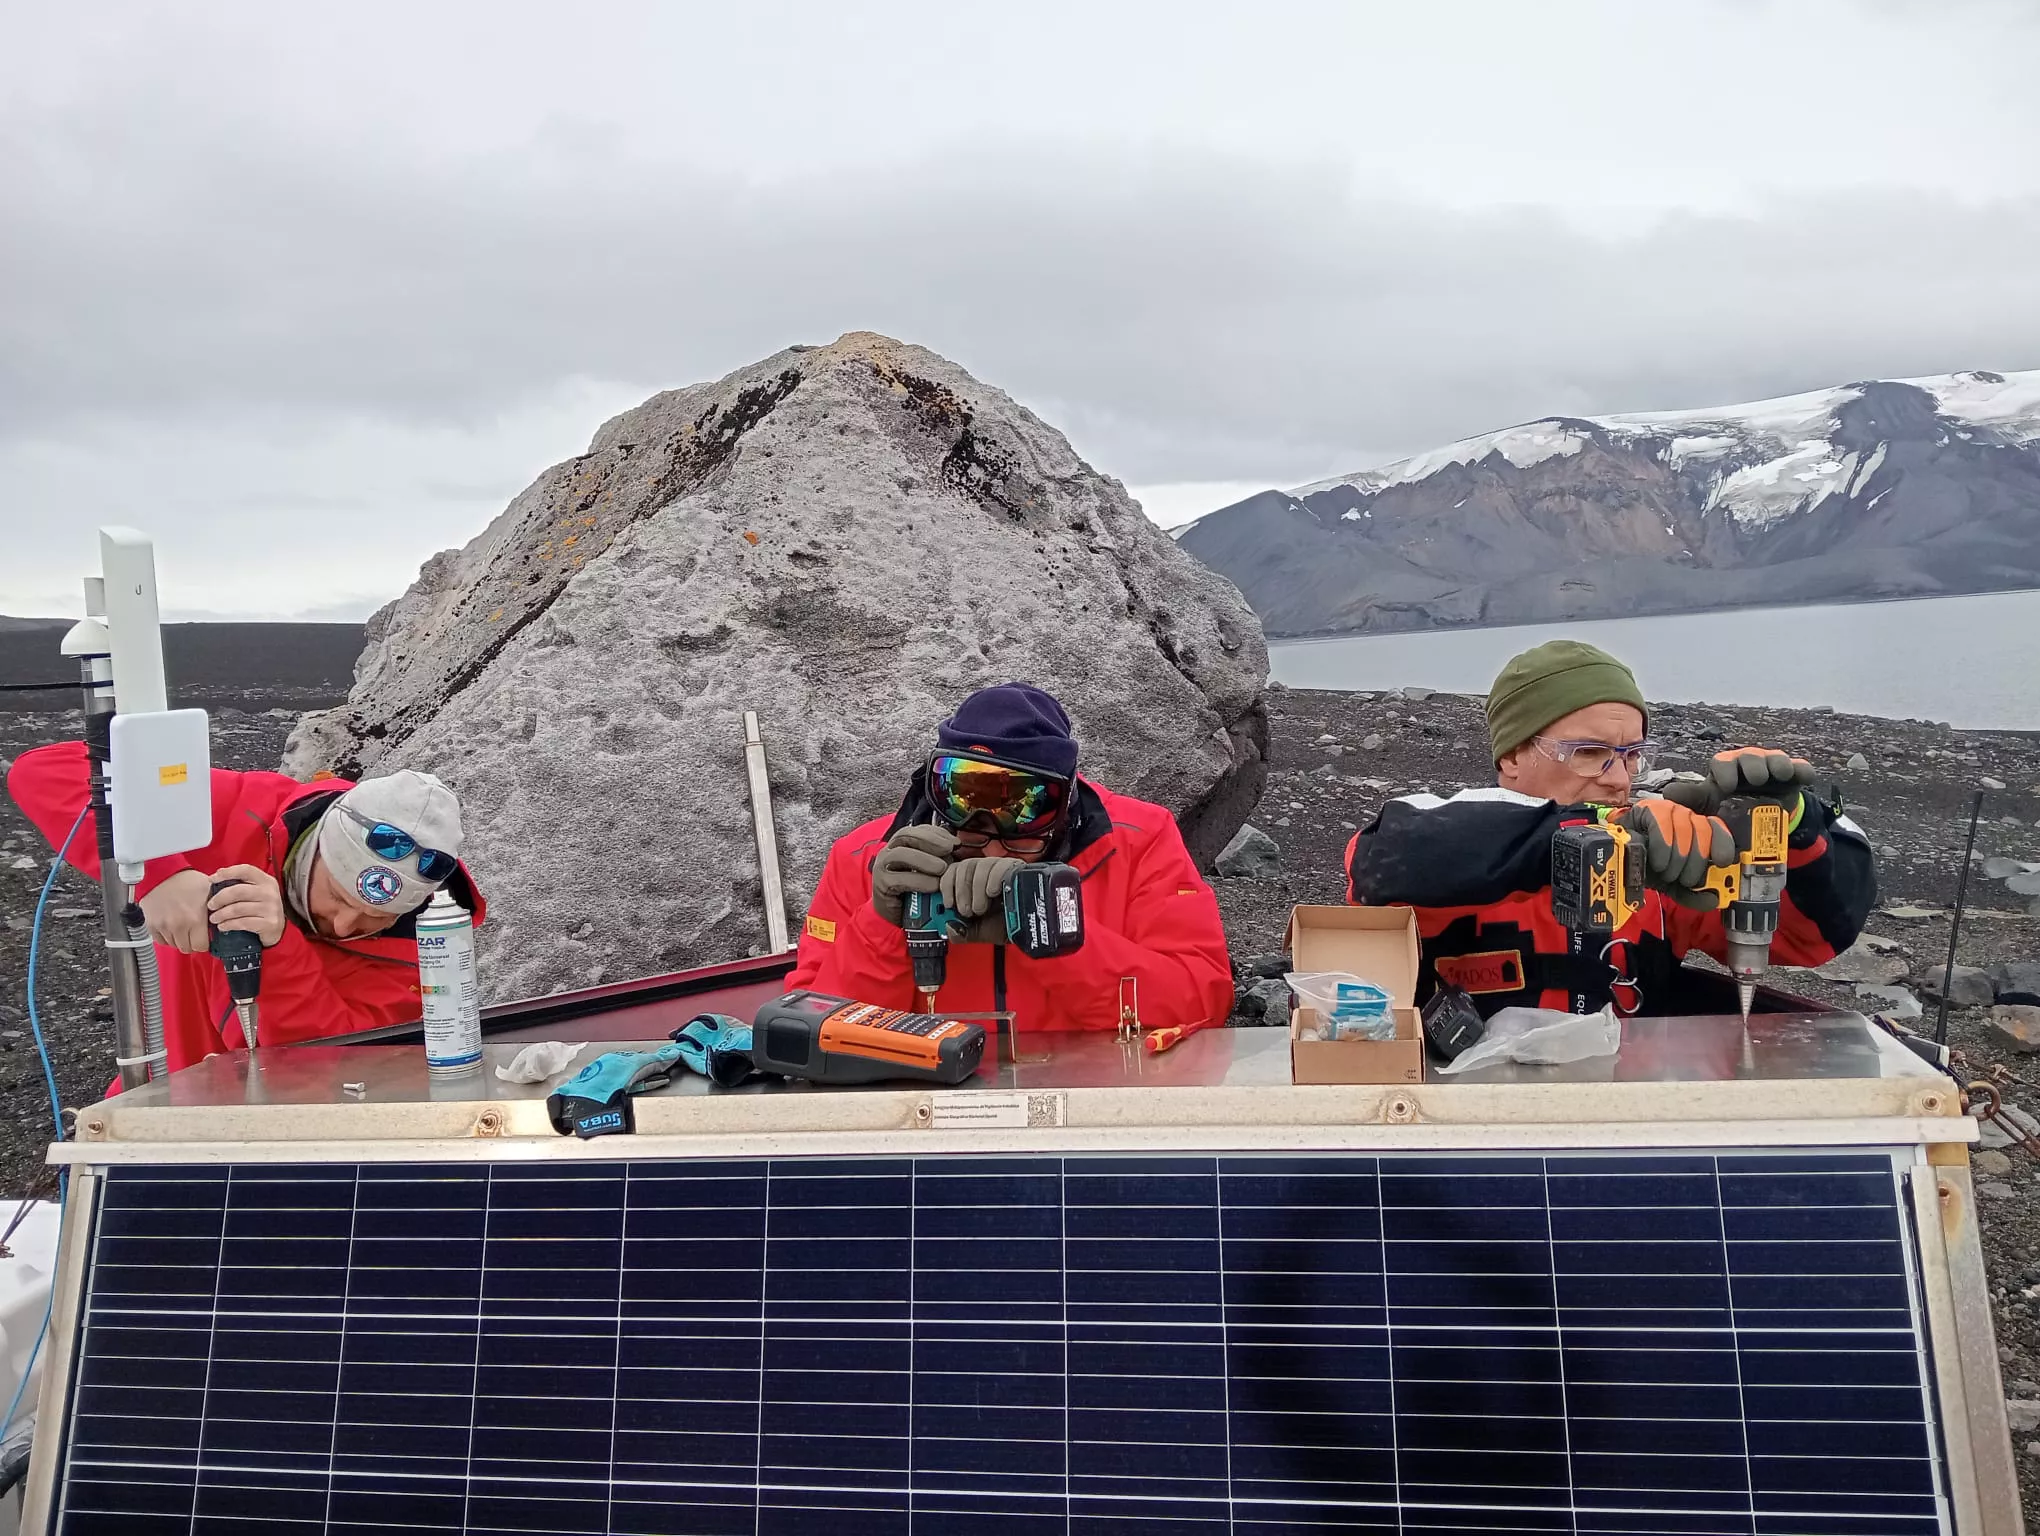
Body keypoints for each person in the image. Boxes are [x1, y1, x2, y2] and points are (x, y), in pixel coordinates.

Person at [1345, 640, 1876, 1017]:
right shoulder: (1441, 826)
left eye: (1632, 756)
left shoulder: (1665, 864)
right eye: (1590, 754)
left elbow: (1815, 936)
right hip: (1472, 1127)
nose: (1619, 779)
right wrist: (1608, 835)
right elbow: (1385, 866)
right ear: (1511, 756)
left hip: (1628, 1125)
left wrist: (1798, 828)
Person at [8, 740, 482, 1074]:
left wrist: (279, 949)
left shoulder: (425, 952)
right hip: (162, 1090)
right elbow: (47, 770)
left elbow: (330, 1067)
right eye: (338, 897)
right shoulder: (243, 810)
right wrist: (161, 873)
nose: (343, 924)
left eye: (374, 917)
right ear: (314, 851)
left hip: (279, 1132)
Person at [789, 682, 1234, 1033]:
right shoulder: (863, 858)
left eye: (1024, 809)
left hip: (1087, 1106)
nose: (994, 846)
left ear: (1063, 807)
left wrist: (1050, 935)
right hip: (920, 1113)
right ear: (934, 788)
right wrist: (882, 925)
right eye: (964, 803)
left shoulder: (1136, 841)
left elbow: (1201, 1000)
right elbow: (806, 1027)